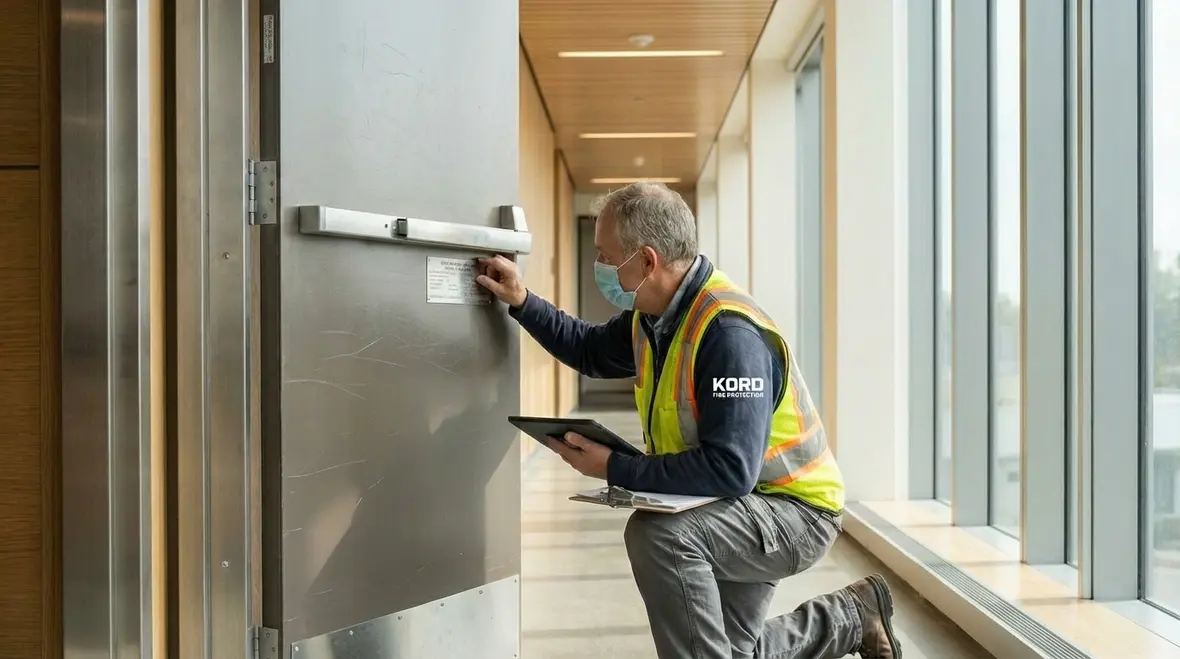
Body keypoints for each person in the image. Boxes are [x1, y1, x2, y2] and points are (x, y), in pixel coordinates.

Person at [476, 182, 902, 659]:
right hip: (730, 505)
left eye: (605, 255)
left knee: (657, 534)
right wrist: (521, 299)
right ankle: (851, 615)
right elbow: (589, 349)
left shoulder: (727, 334)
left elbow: (730, 470)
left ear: (647, 261)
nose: (599, 267)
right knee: (728, 652)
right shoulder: (653, 316)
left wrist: (615, 468)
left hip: (792, 512)